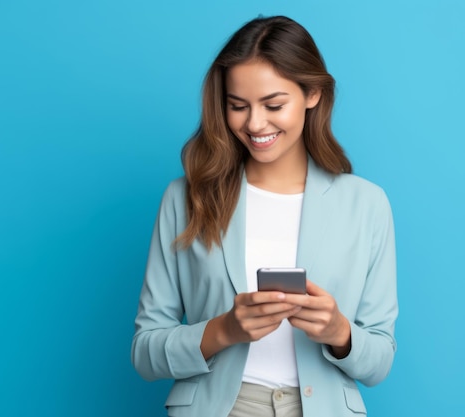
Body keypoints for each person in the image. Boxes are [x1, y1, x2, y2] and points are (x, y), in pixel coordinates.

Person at [131, 15, 397, 417]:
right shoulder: (186, 198)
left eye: (273, 104)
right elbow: (144, 352)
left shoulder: (367, 205)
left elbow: (379, 363)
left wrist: (339, 332)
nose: (255, 124)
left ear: (313, 95)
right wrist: (224, 330)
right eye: (238, 106)